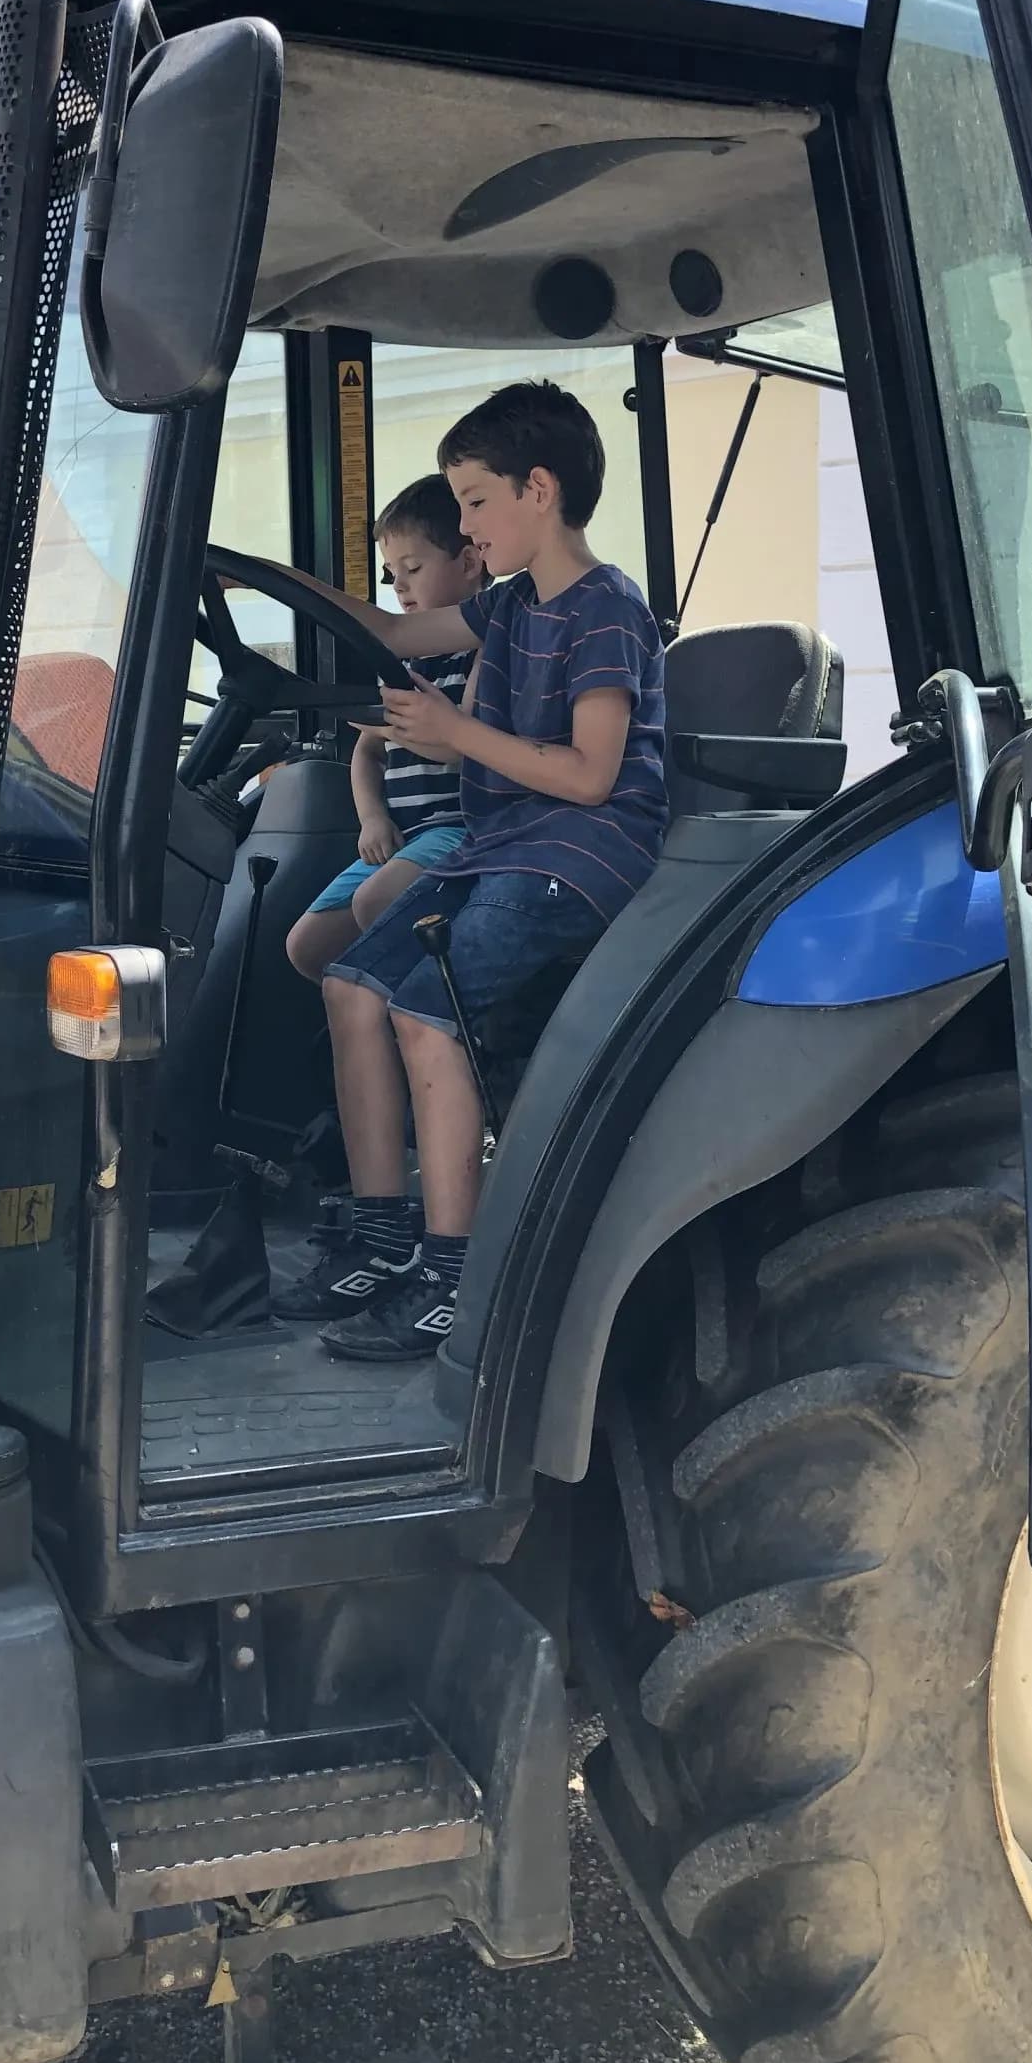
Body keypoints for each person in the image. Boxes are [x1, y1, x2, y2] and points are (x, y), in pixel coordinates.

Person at [278, 379, 667, 1363]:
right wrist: (283, 581)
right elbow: (403, 634)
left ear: (539, 489)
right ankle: (381, 1239)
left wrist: (457, 732)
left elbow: (590, 776)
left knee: (424, 1008)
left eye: (477, 502)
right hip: (505, 847)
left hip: (577, 854)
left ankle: (455, 1280)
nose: (465, 525)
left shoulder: (607, 609)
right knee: (351, 985)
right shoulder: (504, 606)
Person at [284, 475, 485, 987]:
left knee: (375, 901)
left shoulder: (489, 645)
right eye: (390, 572)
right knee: (306, 946)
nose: (398, 585)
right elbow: (368, 750)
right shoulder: (400, 659)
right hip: (403, 834)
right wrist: (372, 819)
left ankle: (427, 1021)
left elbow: (465, 747)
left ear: (468, 561)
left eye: (413, 568)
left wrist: (395, 725)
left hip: (462, 828)